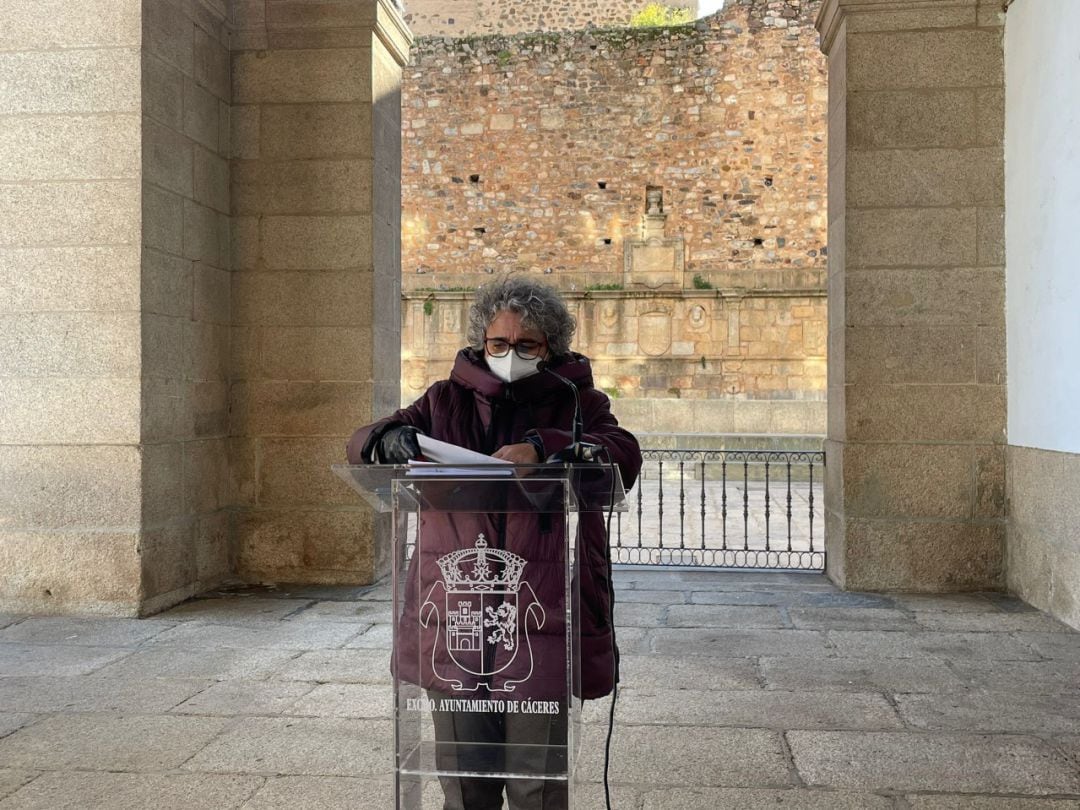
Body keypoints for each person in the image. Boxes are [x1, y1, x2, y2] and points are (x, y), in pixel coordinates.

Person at [346, 277, 641, 810]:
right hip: (451, 617)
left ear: (551, 346)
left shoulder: (579, 402)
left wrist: (544, 446)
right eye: (497, 344)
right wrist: (384, 439)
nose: (508, 355)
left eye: (525, 345)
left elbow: (621, 452)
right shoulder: (443, 399)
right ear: (482, 340)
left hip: (541, 621)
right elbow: (367, 437)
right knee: (463, 783)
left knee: (536, 784)